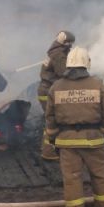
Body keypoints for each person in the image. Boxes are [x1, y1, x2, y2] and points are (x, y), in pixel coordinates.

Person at [44, 46, 104, 207]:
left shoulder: (56, 87)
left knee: (72, 179)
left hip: (67, 142)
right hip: (93, 140)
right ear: (86, 64)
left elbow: (50, 117)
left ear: (68, 64)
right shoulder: (97, 85)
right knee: (100, 175)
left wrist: (53, 138)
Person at [37, 30, 75, 160]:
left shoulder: (54, 51)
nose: (71, 46)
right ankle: (49, 152)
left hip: (46, 90)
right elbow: (62, 73)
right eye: (70, 43)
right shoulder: (59, 55)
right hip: (49, 91)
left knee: (52, 119)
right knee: (54, 121)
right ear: (66, 43)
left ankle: (50, 148)